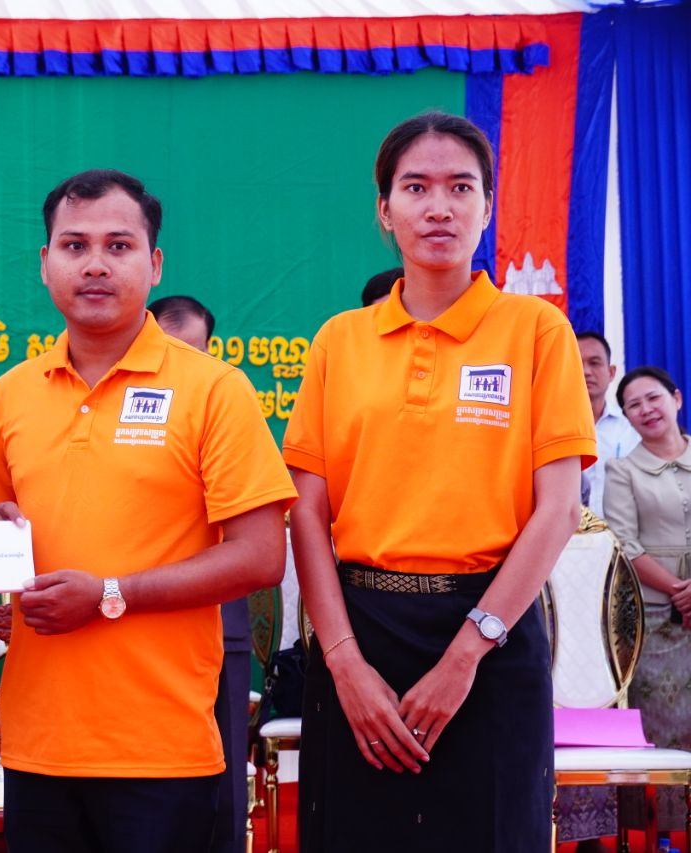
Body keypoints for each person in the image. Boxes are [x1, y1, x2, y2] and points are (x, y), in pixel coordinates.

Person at [0, 169, 296, 853]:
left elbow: (262, 556)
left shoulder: (215, 390)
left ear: (154, 263)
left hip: (161, 749)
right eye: (74, 245)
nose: (95, 264)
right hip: (37, 743)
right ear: (44, 264)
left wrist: (111, 594)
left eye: (118, 246)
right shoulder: (12, 393)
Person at [283, 112, 595, 853]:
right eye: (416, 187)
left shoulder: (536, 331)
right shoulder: (338, 341)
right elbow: (306, 514)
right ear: (384, 210)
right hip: (359, 633)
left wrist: (465, 655)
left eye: (461, 187)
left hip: (491, 635)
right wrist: (344, 664)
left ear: (487, 207)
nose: (439, 207)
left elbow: (558, 508)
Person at [150, 293, 249, 853]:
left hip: (216, 621)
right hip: (130, 626)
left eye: (198, 350)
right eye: (172, 349)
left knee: (225, 774)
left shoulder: (221, 402)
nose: (186, 363)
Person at [604, 365, 691, 838]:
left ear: (676, 399)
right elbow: (625, 544)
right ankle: (667, 834)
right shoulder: (622, 471)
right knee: (666, 728)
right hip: (658, 621)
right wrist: (680, 591)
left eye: (653, 398)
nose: (646, 409)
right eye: (633, 405)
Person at [578, 331, 640, 516]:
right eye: (577, 363)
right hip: (567, 533)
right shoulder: (549, 428)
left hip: (623, 532)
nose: (586, 371)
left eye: (594, 363)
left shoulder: (632, 429)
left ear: (611, 372)